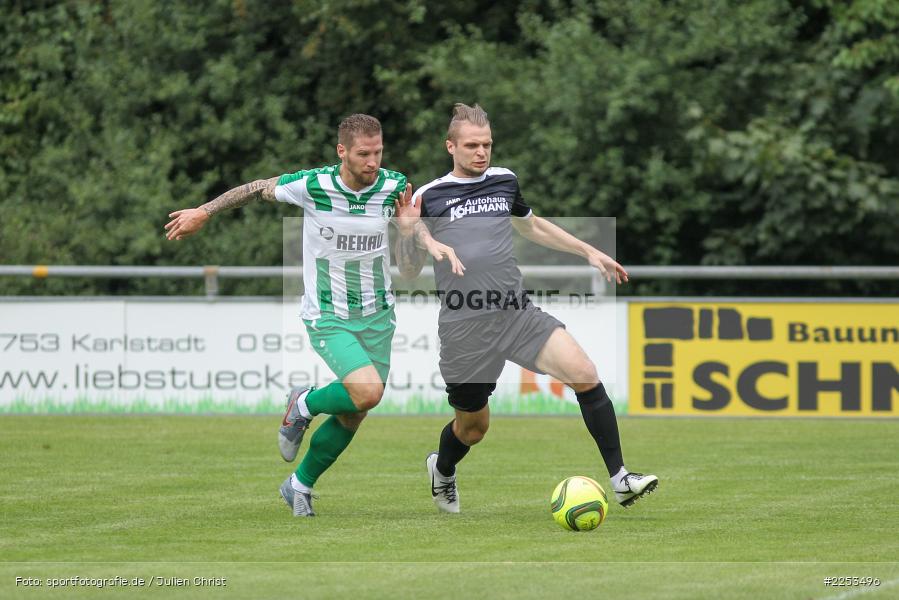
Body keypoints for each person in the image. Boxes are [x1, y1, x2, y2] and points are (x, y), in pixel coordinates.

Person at [165, 114, 459, 517]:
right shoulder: (314, 185)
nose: (373, 161)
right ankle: (303, 404)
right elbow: (255, 188)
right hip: (328, 315)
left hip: (378, 314)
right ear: (342, 151)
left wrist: (412, 233)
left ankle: (299, 485)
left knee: (356, 411)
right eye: (363, 154)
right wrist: (204, 211)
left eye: (378, 151)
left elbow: (408, 269)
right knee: (369, 392)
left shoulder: (393, 186)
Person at [395, 103, 658, 514]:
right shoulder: (429, 196)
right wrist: (407, 232)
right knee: (473, 428)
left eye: (487, 144)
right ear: (451, 146)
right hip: (465, 327)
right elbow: (409, 272)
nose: (482, 152)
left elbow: (531, 225)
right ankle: (442, 468)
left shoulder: (505, 181)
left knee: (585, 375)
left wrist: (588, 251)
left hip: (516, 314)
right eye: (472, 145)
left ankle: (621, 479)